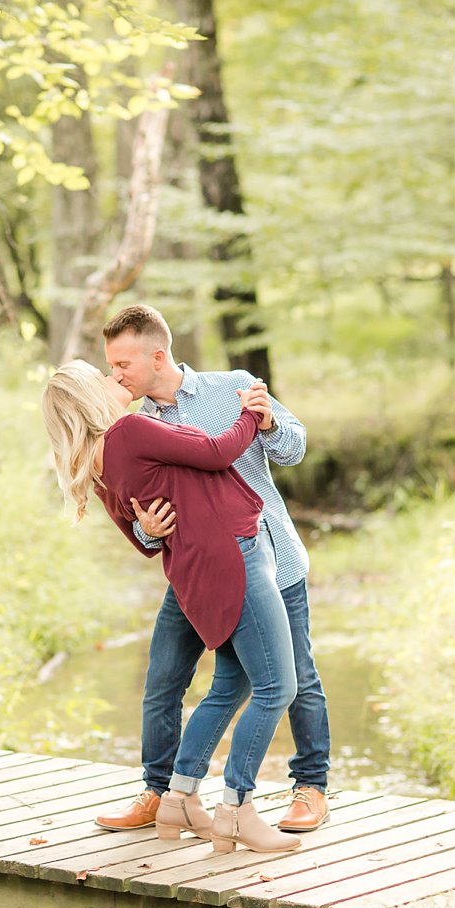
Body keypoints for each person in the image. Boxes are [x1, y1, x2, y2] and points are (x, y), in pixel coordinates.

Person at [42, 360, 302, 853]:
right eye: (102, 377)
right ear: (87, 399)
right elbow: (218, 452)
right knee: (276, 686)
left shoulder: (94, 462)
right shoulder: (131, 432)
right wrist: (250, 413)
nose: (113, 378)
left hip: (195, 565)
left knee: (231, 683)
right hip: (233, 554)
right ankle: (237, 809)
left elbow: (142, 541)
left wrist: (152, 530)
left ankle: (178, 798)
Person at [93, 304, 332, 834]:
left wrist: (266, 421)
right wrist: (147, 533)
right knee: (163, 682)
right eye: (110, 366)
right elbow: (134, 525)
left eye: (123, 364)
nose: (115, 375)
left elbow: (295, 447)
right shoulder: (130, 425)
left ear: (158, 356)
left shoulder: (235, 387)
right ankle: (160, 793)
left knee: (297, 677)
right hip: (192, 571)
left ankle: (310, 787)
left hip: (269, 556)